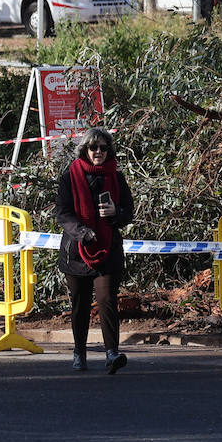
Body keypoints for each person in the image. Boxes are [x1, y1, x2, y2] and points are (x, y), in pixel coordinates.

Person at [54, 127, 134, 374]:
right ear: (85, 150)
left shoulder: (116, 177)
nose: (98, 152)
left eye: (103, 148)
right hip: (77, 250)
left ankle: (112, 353)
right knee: (80, 305)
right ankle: (80, 352)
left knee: (107, 300)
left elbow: (128, 212)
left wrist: (115, 214)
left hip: (108, 248)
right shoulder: (70, 176)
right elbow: (62, 213)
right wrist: (83, 232)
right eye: (93, 147)